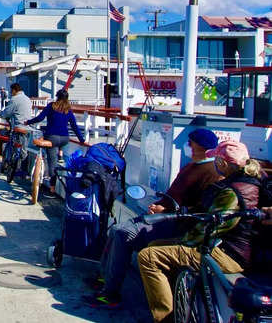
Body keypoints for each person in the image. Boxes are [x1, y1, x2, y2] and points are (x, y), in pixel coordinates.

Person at [82, 128, 221, 308]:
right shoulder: (191, 166)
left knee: (122, 233)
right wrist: (160, 205)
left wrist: (166, 208)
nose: (188, 146)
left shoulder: (211, 173)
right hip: (164, 215)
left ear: (201, 147)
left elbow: (203, 209)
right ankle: (105, 278)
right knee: (117, 229)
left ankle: (110, 294)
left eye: (191, 143)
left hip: (177, 223)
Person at [138, 140, 264, 323]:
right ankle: (178, 306)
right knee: (156, 245)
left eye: (216, 159)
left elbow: (214, 225)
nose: (214, 163)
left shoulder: (234, 192)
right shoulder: (245, 182)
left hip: (228, 254)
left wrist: (183, 242)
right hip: (228, 248)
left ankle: (164, 318)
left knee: (148, 256)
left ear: (223, 163)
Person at [25, 88, 84, 198]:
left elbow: (40, 118)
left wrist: (28, 122)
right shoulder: (68, 110)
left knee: (52, 163)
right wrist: (81, 139)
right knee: (60, 148)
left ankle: (52, 189)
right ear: (67, 98)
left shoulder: (52, 106)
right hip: (65, 138)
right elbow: (74, 126)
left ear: (57, 96)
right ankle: (60, 154)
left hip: (52, 138)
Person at [0, 83, 33, 166]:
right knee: (24, 148)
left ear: (14, 90)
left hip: (18, 126)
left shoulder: (14, 99)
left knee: (14, 143)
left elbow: (7, 112)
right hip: (28, 127)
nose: (11, 93)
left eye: (11, 91)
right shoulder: (27, 99)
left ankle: (12, 164)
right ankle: (22, 167)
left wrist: (1, 114)